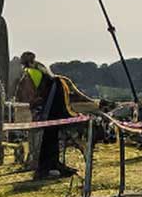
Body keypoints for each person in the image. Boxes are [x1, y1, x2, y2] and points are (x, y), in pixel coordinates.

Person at [19, 52, 90, 180]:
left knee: (49, 136)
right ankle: (49, 166)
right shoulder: (40, 69)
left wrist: (35, 106)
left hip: (51, 105)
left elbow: (30, 95)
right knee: (51, 136)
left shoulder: (30, 72)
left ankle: (50, 166)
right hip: (54, 105)